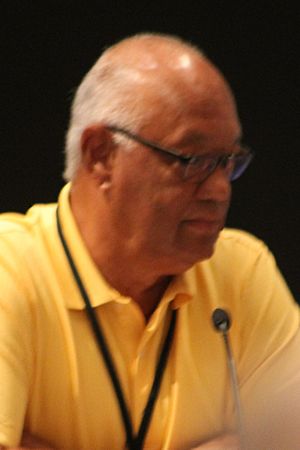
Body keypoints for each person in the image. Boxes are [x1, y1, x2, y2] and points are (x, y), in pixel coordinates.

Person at [0, 33, 299, 450]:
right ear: (101, 154)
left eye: (228, 162)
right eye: (192, 161)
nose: (219, 190)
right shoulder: (10, 268)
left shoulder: (242, 272)